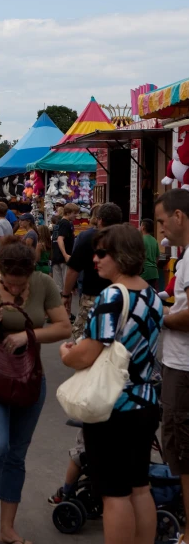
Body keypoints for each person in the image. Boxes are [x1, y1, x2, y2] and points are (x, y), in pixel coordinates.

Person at [0, 237, 71, 544]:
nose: (17, 289)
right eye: (10, 284)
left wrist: (28, 335)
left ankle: (7, 529)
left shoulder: (44, 283)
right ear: (0, 270)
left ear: (31, 273)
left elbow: (64, 327)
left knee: (16, 455)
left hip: (29, 379)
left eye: (21, 285)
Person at [61, 224, 163, 544]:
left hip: (113, 405)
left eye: (102, 253)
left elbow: (88, 353)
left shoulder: (111, 296)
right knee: (139, 486)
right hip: (145, 401)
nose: (95, 259)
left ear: (121, 255)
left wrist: (67, 354)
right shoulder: (151, 294)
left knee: (113, 494)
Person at [155, 189, 189, 543]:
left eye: (163, 221)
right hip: (179, 363)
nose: (161, 230)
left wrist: (159, 314)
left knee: (181, 451)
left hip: (183, 367)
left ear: (179, 216)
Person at [62, 202, 123, 341]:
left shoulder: (87, 237)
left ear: (99, 219)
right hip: (121, 294)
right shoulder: (126, 238)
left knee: (83, 335)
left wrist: (66, 294)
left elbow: (73, 269)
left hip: (92, 294)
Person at [51, 203, 80, 292]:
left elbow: (54, 239)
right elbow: (60, 239)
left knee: (58, 288)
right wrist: (65, 254)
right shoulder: (66, 224)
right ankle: (66, 305)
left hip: (56, 258)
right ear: (67, 213)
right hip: (64, 259)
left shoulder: (58, 223)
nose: (76, 215)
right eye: (74, 213)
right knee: (67, 288)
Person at [140, 218, 160, 290]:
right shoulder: (154, 240)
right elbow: (157, 256)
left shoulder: (141, 239)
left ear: (143, 227)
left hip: (144, 272)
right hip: (154, 273)